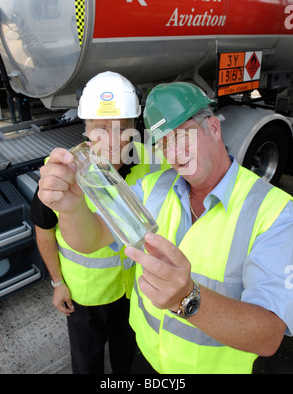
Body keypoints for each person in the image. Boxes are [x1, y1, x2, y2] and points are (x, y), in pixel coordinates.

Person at [37, 81, 293, 374]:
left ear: (212, 127)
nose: (175, 153)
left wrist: (188, 300)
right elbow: (91, 238)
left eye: (182, 135)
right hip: (145, 359)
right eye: (164, 143)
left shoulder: (275, 213)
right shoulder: (153, 188)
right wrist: (71, 208)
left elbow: (269, 335)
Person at [31, 71, 168, 374]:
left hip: (133, 294)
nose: (111, 139)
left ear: (134, 127)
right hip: (85, 300)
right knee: (87, 366)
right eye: (100, 127)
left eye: (121, 128)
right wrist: (57, 283)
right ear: (86, 128)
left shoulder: (153, 161)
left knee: (126, 363)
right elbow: (44, 232)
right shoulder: (60, 175)